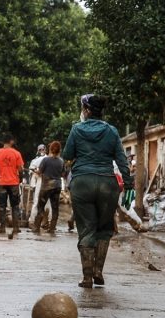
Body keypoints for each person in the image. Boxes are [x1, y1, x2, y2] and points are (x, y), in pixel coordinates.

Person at [63, 94, 130, 288]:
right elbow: (121, 159)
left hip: (82, 182)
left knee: (86, 229)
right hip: (107, 184)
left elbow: (67, 154)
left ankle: (86, 277)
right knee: (104, 228)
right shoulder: (112, 131)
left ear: (86, 110)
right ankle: (98, 271)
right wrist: (129, 184)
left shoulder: (76, 129)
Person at [0, 134, 25, 239]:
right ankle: (15, 227)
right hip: (13, 183)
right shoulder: (17, 153)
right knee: (15, 206)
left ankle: (2, 227)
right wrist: (19, 180)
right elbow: (20, 169)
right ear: (11, 141)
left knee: (2, 207)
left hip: (1, 183)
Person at [32, 141, 64, 235]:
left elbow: (40, 171)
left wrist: (36, 171)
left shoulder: (46, 160)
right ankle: (52, 228)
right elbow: (62, 173)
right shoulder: (61, 161)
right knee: (55, 208)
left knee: (41, 206)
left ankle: (36, 228)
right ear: (59, 150)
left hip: (46, 186)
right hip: (57, 186)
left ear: (50, 149)